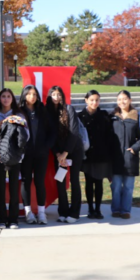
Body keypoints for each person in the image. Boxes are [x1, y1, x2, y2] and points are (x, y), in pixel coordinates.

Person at [0, 88, 29, 229]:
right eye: (3, 96)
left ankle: (13, 219)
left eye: (8, 96)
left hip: (15, 157)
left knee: (14, 189)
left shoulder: (18, 115)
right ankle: (1, 219)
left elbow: (27, 135)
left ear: (12, 99)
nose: (6, 99)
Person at [46, 86, 85, 223]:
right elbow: (50, 136)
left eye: (59, 94)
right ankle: (63, 211)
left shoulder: (69, 109)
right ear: (50, 96)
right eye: (53, 94)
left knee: (74, 180)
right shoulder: (48, 113)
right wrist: (58, 154)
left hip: (74, 150)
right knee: (60, 180)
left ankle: (74, 213)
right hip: (59, 153)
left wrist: (65, 153)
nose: (56, 97)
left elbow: (74, 132)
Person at [19, 85, 56, 225]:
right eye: (29, 94)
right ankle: (28, 212)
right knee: (26, 181)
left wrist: (46, 146)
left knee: (40, 182)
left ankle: (41, 212)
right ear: (24, 95)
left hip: (41, 153)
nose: (32, 97)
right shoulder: (19, 111)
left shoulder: (42, 110)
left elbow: (52, 132)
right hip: (26, 154)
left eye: (34, 94)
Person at [78, 90, 114, 219]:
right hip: (87, 154)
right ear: (86, 100)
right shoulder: (80, 116)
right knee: (88, 182)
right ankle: (90, 209)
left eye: (97, 100)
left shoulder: (104, 116)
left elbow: (109, 135)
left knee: (99, 182)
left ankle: (98, 209)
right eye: (92, 100)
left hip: (101, 154)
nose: (94, 102)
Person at [109, 90, 140, 220]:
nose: (122, 102)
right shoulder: (112, 117)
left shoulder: (137, 117)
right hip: (115, 157)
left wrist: (135, 148)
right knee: (116, 186)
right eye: (119, 99)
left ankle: (125, 210)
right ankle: (116, 209)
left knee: (128, 187)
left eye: (124, 99)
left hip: (130, 157)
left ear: (130, 100)